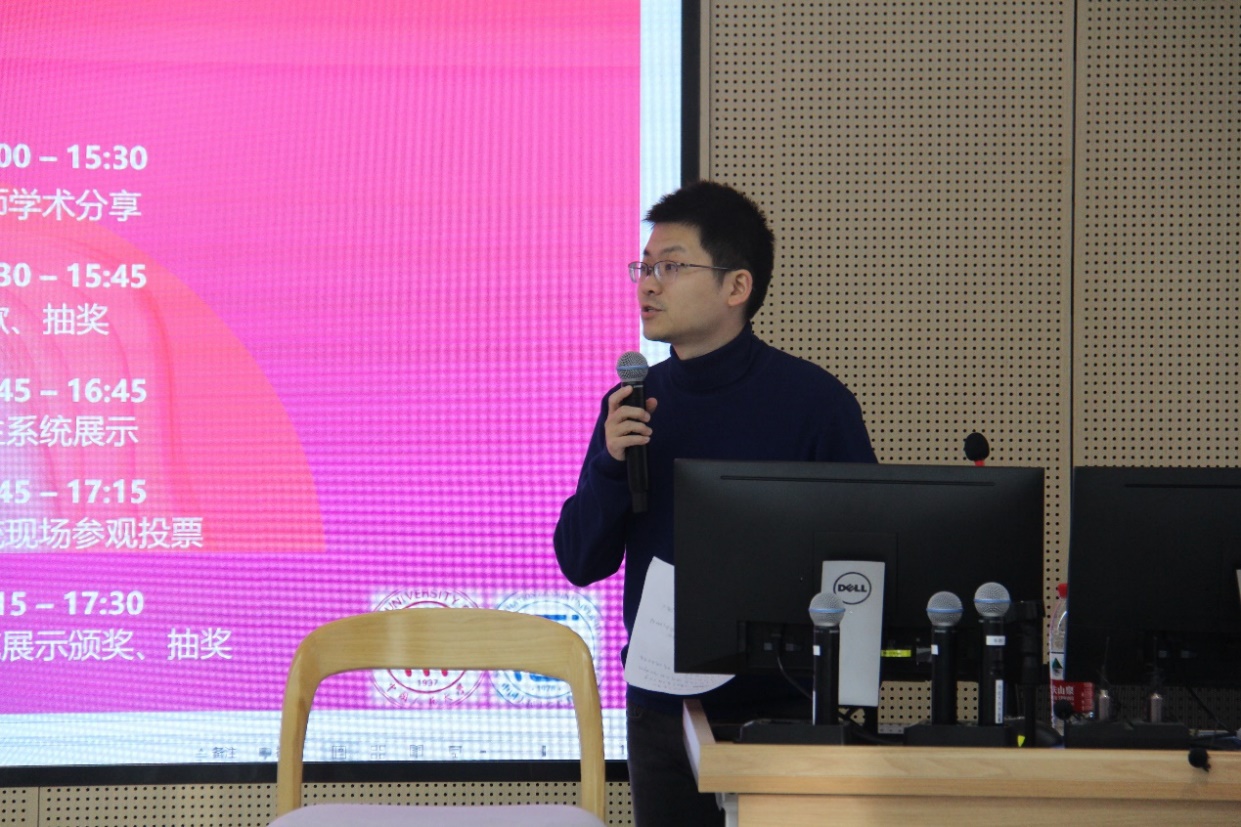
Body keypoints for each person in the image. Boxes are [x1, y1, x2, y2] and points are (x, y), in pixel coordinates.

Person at [554, 180, 876, 826]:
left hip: (785, 704)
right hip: (660, 706)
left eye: (670, 267)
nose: (647, 285)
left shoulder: (814, 403)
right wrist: (610, 465)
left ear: (737, 287)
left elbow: (864, 560)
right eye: (643, 267)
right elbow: (581, 561)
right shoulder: (631, 404)